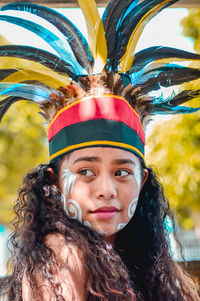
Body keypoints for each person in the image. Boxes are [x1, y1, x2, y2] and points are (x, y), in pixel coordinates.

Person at [0, 0, 200, 300]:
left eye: (122, 172)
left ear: (142, 180)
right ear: (54, 181)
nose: (106, 189)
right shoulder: (60, 257)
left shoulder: (143, 256)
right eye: (85, 172)